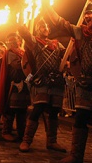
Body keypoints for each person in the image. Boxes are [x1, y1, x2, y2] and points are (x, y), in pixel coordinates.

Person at [41, 0, 92, 163]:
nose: (86, 18)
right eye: (85, 16)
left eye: (89, 15)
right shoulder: (82, 33)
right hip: (86, 84)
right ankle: (76, 156)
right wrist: (47, 5)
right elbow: (61, 23)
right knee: (80, 119)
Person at [17, 19, 66, 153]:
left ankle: (52, 141)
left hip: (56, 80)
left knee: (54, 111)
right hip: (41, 80)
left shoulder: (57, 44)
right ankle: (26, 140)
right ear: (37, 29)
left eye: (46, 26)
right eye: (41, 27)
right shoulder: (35, 43)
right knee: (38, 109)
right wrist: (21, 24)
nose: (45, 28)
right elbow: (25, 35)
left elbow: (66, 54)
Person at [0, 32, 30, 142]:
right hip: (13, 85)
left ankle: (21, 133)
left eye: (15, 40)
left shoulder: (23, 52)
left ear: (19, 41)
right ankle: (6, 132)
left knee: (22, 112)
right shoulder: (10, 53)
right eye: (11, 41)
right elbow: (18, 65)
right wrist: (27, 59)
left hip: (24, 84)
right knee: (10, 109)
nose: (14, 43)